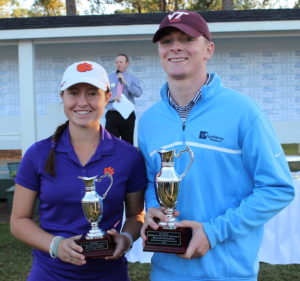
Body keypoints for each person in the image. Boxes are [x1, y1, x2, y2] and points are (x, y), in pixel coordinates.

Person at [138, 10, 295, 281]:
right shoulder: (149, 120)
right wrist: (154, 209)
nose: (175, 47)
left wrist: (213, 232)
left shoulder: (243, 111)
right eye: (166, 41)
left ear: (208, 49)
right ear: (159, 51)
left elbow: (277, 188)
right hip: (166, 272)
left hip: (228, 272)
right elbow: (151, 180)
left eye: (187, 39)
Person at [10, 61, 147, 281]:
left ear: (107, 96)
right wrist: (56, 245)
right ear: (62, 96)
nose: (82, 102)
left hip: (108, 274)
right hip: (50, 274)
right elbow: (19, 220)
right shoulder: (37, 154)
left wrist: (127, 238)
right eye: (74, 93)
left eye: (92, 93)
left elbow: (135, 215)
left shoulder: (128, 156)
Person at [105, 54, 142, 145]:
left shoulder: (133, 78)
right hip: (113, 114)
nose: (118, 64)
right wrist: (113, 98)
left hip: (127, 114)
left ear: (127, 63)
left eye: (121, 62)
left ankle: (127, 159)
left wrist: (126, 83)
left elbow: (138, 93)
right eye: (116, 62)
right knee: (111, 143)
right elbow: (103, 95)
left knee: (128, 142)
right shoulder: (108, 78)